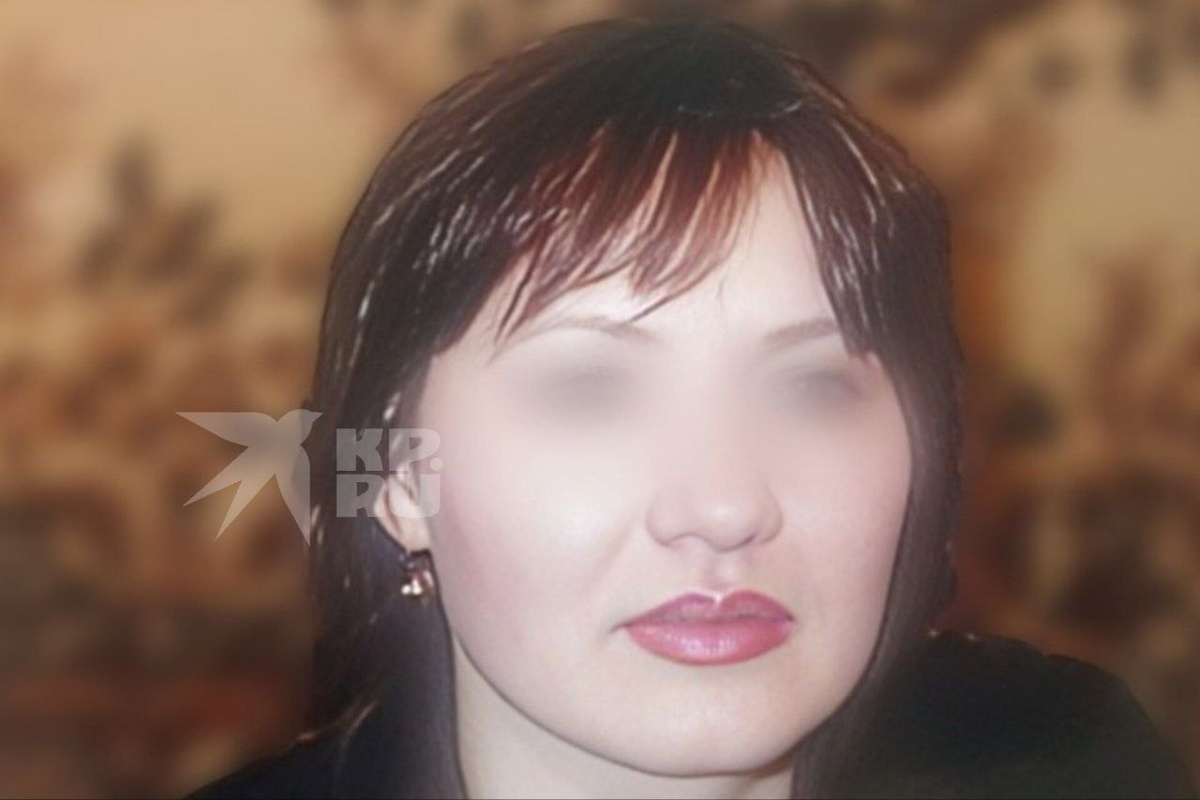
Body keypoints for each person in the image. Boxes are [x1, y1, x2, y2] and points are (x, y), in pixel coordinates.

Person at [189, 16, 1195, 800]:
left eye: (810, 386)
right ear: (399, 478)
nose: (724, 504)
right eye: (591, 389)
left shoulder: (1073, 760)